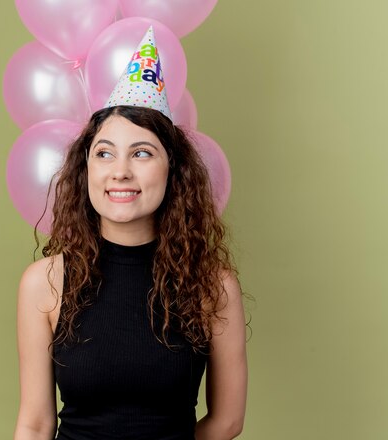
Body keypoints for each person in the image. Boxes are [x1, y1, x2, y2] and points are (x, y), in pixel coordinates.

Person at [14, 27, 247, 440]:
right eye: (104, 153)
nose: (120, 171)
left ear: (172, 170)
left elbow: (227, 421)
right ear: (86, 169)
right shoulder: (45, 283)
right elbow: (35, 425)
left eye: (142, 152)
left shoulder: (212, 285)